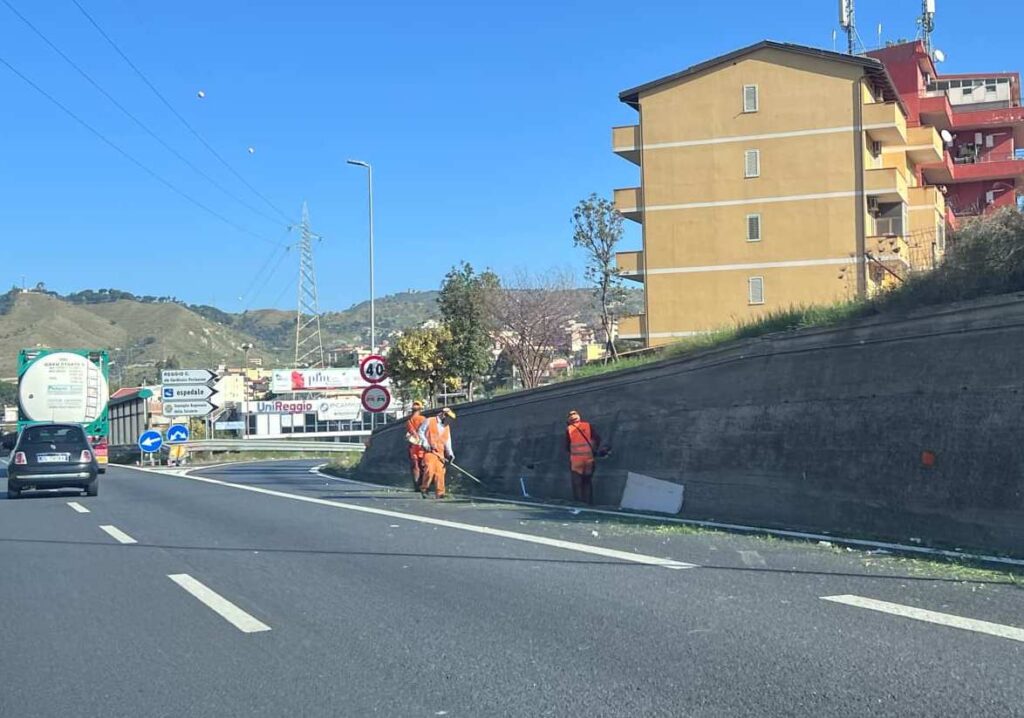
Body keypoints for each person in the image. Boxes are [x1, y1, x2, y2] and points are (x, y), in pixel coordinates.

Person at [418, 407, 456, 499]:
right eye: (449, 419)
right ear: (444, 415)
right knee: (429, 470)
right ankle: (424, 489)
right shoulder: (429, 421)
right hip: (429, 451)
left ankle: (440, 493)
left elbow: (447, 441)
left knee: (440, 473)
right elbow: (420, 432)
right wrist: (425, 442)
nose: (449, 422)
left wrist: (450, 454)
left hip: (440, 453)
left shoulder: (446, 427)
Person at [565, 409, 601, 504]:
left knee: (577, 483)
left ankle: (579, 503)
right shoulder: (587, 426)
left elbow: (567, 446)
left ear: (569, 420)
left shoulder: (569, 429)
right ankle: (589, 503)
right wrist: (593, 449)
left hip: (576, 461)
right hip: (589, 459)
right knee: (587, 482)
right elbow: (597, 439)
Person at [404, 400, 427, 490]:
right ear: (420, 409)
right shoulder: (423, 419)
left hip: (414, 445)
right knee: (423, 465)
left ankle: (417, 485)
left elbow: (408, 434)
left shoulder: (408, 421)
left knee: (415, 465)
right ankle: (423, 485)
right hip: (422, 445)